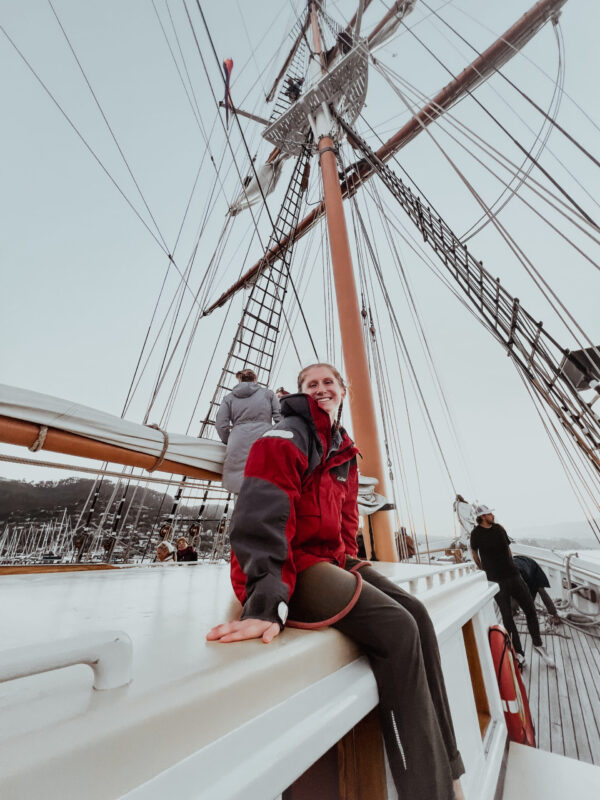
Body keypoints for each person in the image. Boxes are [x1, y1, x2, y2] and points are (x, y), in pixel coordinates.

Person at [208, 363, 465, 800]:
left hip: (330, 558)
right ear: (300, 392)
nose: (321, 388)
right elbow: (261, 514)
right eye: (312, 383)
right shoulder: (286, 436)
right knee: (396, 629)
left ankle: (450, 766)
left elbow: (347, 521)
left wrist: (351, 561)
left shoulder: (343, 447)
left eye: (329, 382)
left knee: (417, 614)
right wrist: (265, 602)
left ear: (342, 391)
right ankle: (429, 792)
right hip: (293, 566)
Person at [470, 506, 555, 668]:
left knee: (530, 609)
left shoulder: (499, 529)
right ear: (482, 517)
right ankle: (519, 653)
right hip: (496, 580)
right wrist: (482, 569)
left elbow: (508, 549)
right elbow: (474, 551)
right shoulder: (476, 534)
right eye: (489, 513)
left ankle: (538, 645)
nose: (492, 515)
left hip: (514, 576)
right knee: (507, 617)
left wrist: (511, 565)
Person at [215, 368, 281, 495]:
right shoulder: (268, 394)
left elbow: (220, 425)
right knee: (266, 482)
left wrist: (228, 440)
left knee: (239, 486)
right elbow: (280, 419)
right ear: (255, 379)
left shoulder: (229, 398)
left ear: (239, 380)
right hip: (264, 439)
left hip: (237, 442)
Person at [513, 554, 560, 622]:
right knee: (514, 592)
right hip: (521, 566)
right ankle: (514, 612)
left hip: (533, 567)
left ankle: (554, 615)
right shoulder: (508, 574)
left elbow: (526, 594)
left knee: (541, 591)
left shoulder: (521, 575)